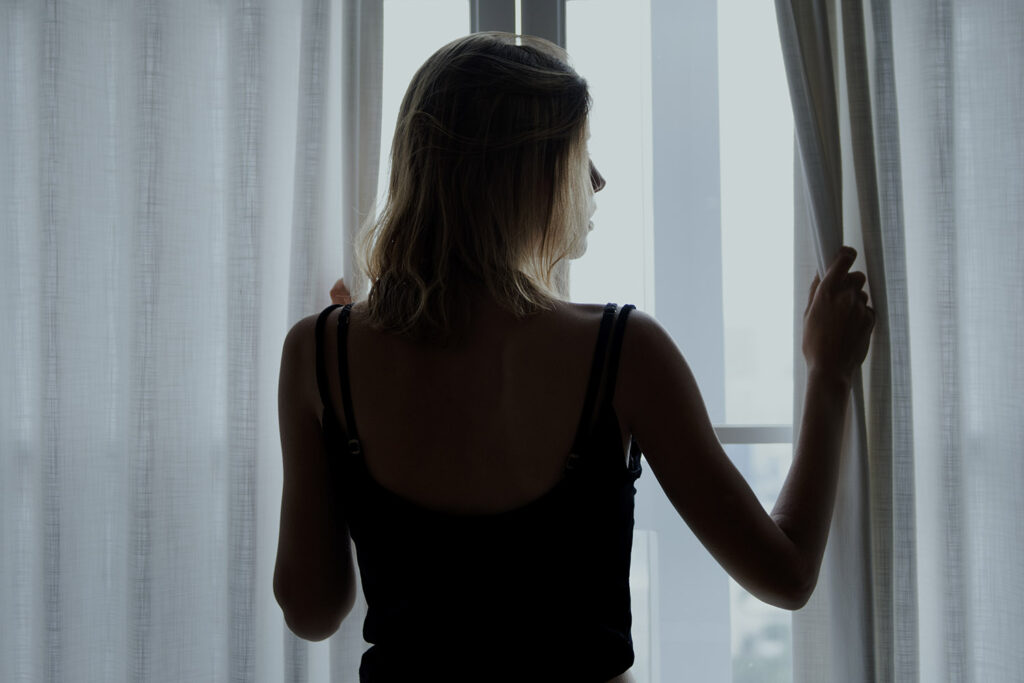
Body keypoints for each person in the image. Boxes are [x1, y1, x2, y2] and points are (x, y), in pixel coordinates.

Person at [273, 32, 874, 683]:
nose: (597, 179)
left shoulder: (319, 352)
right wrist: (829, 375)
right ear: (523, 176)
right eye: (577, 153)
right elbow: (786, 572)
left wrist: (349, 396)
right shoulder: (624, 351)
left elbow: (312, 610)